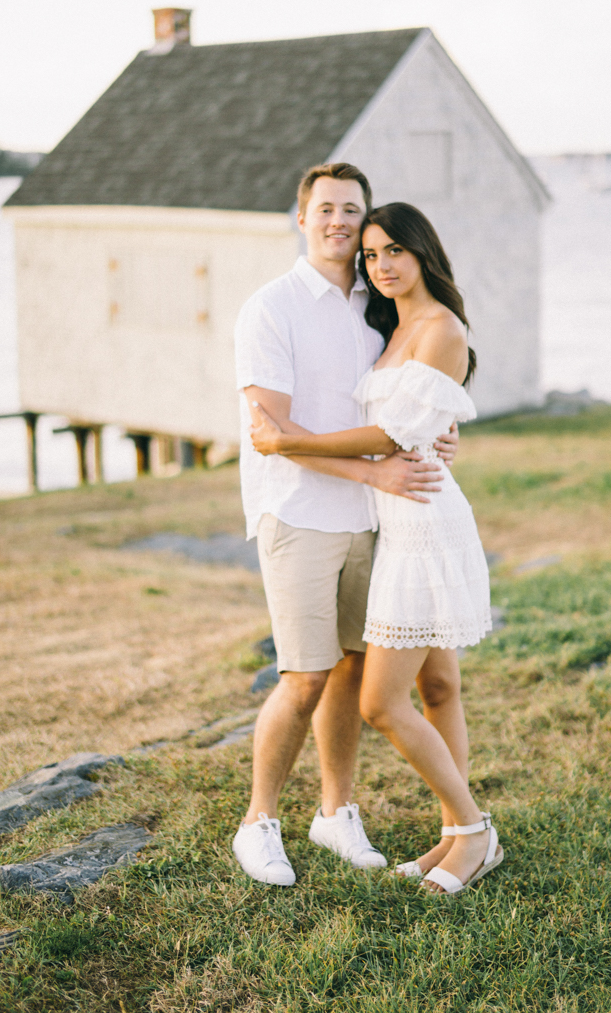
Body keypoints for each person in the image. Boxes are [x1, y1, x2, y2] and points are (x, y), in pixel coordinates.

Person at [249, 202, 502, 896]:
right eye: (370, 255)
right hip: (397, 520)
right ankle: (456, 835)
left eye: (394, 250)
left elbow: (391, 436)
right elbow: (416, 421)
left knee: (380, 703)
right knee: (438, 686)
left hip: (424, 521)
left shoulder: (442, 328)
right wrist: (439, 432)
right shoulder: (389, 327)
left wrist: (287, 440)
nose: (381, 265)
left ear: (423, 251)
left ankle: (473, 831)